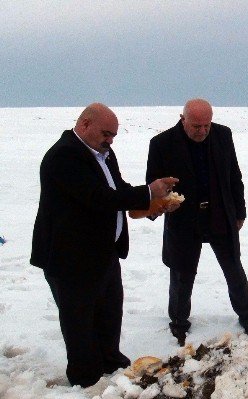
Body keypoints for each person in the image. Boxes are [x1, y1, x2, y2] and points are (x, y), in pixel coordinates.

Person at [30, 103, 178, 388]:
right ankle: (85, 380)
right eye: (106, 133)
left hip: (103, 253)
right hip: (70, 258)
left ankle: (110, 361)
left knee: (109, 313)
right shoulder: (63, 156)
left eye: (114, 135)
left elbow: (118, 191)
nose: (110, 140)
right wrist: (149, 191)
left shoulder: (104, 154)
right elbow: (98, 198)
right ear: (85, 124)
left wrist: (152, 205)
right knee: (80, 323)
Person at [145, 98, 248, 346]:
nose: (202, 131)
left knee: (234, 270)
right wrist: (165, 203)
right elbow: (154, 186)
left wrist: (239, 213)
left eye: (206, 125)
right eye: (196, 126)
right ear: (182, 119)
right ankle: (178, 323)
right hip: (184, 220)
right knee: (182, 274)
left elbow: (234, 176)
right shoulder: (162, 144)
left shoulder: (222, 135)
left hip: (220, 215)